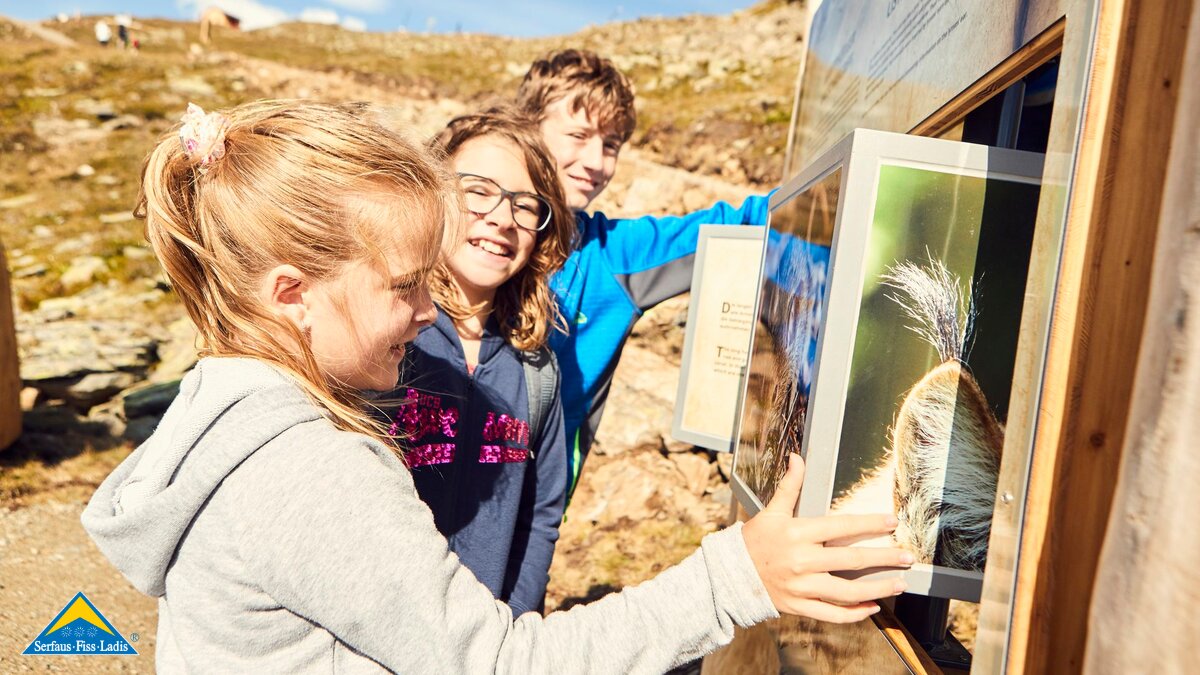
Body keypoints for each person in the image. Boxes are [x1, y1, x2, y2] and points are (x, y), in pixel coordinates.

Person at [81, 99, 911, 672]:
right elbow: (499, 661)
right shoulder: (310, 470)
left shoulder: (236, 416)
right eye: (406, 284)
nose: (420, 311)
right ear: (292, 293)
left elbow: (531, 522)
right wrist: (736, 577)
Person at [517, 49, 770, 496]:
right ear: (527, 130)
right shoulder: (471, 235)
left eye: (611, 144)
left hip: (532, 521)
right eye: (577, 135)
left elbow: (745, 222)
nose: (596, 162)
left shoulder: (615, 255)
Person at [375, 107, 574, 616]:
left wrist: (516, 621)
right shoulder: (380, 335)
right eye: (478, 190)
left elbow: (541, 513)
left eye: (526, 205)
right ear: (431, 195)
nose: (503, 218)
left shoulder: (538, 370)